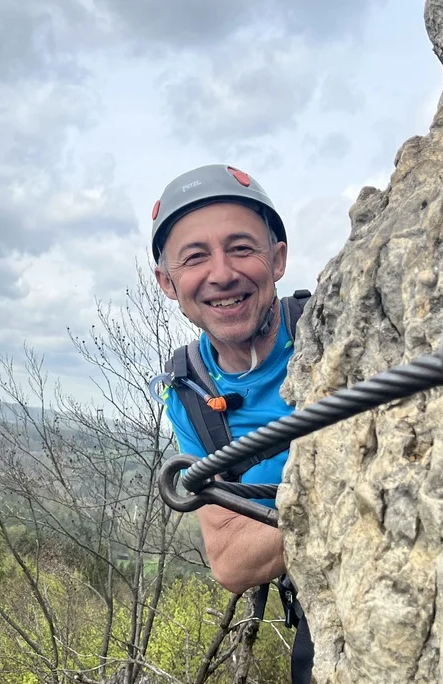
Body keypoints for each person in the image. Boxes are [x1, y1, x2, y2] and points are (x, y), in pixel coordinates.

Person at [149, 163, 300, 594]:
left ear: (277, 259)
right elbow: (232, 558)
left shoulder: (338, 331)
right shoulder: (190, 393)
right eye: (195, 257)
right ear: (167, 282)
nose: (222, 274)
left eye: (241, 248)